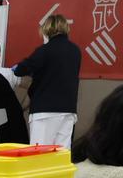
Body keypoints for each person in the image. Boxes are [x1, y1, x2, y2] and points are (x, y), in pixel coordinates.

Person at [14, 14, 82, 148]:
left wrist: (16, 68)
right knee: (61, 155)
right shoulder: (75, 51)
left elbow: (21, 70)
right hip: (68, 110)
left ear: (47, 30)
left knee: (39, 154)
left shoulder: (44, 50)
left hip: (45, 112)